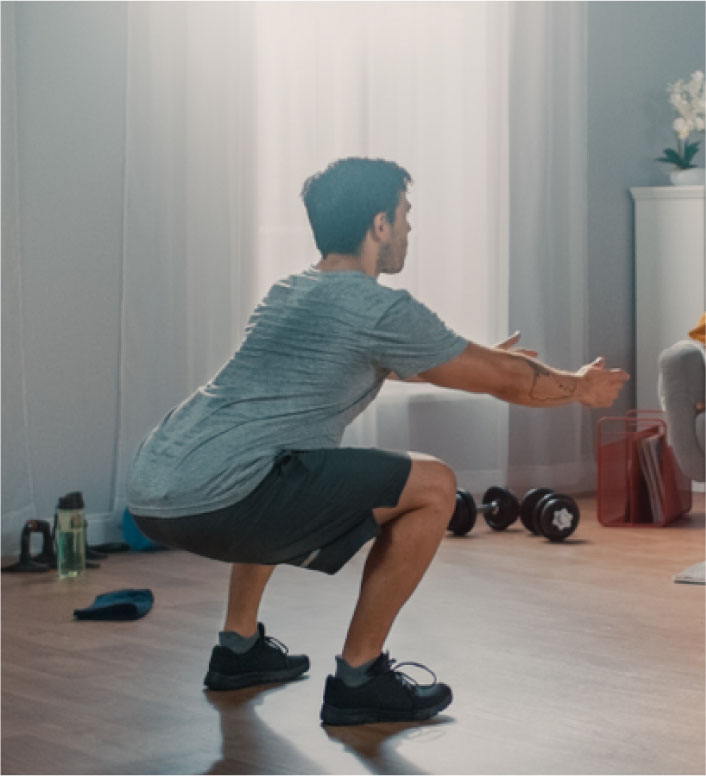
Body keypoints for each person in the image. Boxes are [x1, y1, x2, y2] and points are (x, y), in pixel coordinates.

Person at [126, 157, 629, 726]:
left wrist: (476, 356)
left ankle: (238, 650)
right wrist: (581, 388)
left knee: (276, 457)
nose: (409, 227)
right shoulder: (380, 307)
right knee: (434, 484)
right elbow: (510, 383)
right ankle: (359, 680)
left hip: (155, 484)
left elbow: (381, 362)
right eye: (405, 214)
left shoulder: (289, 292)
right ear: (380, 225)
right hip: (225, 497)